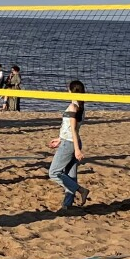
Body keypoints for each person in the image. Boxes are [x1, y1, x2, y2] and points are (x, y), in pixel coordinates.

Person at [48, 79, 88, 209]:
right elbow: (69, 128)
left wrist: (77, 150)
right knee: (71, 175)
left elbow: (73, 130)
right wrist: (60, 139)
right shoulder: (80, 106)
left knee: (53, 172)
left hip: (70, 143)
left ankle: (81, 190)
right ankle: (67, 205)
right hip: (70, 141)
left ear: (71, 91)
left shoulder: (73, 107)